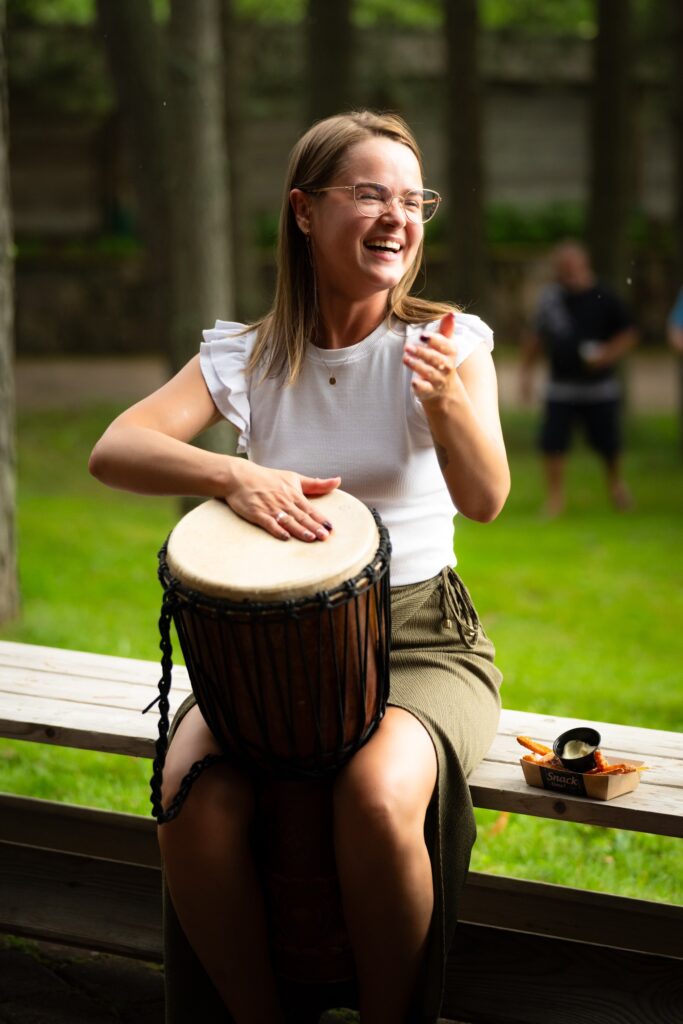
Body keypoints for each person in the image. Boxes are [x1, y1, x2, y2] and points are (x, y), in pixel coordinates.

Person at [89, 110, 510, 1024]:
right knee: (186, 797)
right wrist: (231, 472)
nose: (396, 216)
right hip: (268, 655)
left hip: (420, 642)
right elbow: (114, 448)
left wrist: (446, 408)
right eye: (368, 194)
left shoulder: (446, 343)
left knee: (372, 792)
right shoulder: (245, 356)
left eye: (411, 199)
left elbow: (485, 499)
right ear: (305, 212)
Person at [520, 241, 638, 517]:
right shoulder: (551, 300)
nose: (567, 273)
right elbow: (535, 339)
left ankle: (616, 486)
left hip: (600, 388)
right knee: (553, 443)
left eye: (571, 267)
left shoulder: (605, 296)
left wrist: (608, 355)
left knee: (609, 443)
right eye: (562, 268)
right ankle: (555, 499)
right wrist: (526, 375)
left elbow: (629, 332)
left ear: (584, 265)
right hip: (561, 387)